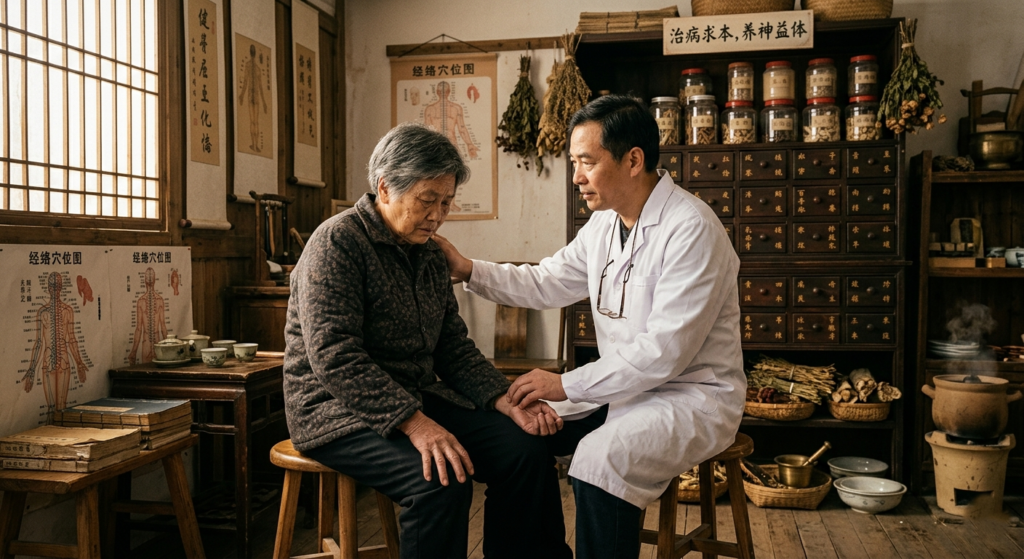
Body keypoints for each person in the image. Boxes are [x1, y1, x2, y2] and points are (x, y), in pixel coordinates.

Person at [438, 94, 746, 559]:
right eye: (574, 162)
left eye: (586, 162)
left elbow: (664, 352)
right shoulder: (604, 225)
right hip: (620, 390)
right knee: (519, 436)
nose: (577, 177)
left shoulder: (691, 228)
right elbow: (546, 282)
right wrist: (468, 270)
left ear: (633, 160)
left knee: (598, 460)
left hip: (692, 395)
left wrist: (566, 384)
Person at [282, 122, 571, 559]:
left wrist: (500, 397)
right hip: (333, 409)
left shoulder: (430, 253)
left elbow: (452, 346)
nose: (437, 215)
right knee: (439, 479)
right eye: (427, 201)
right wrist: (414, 423)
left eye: (446, 202)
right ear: (384, 188)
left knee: (524, 451)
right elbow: (335, 357)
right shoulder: (337, 243)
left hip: (413, 396)